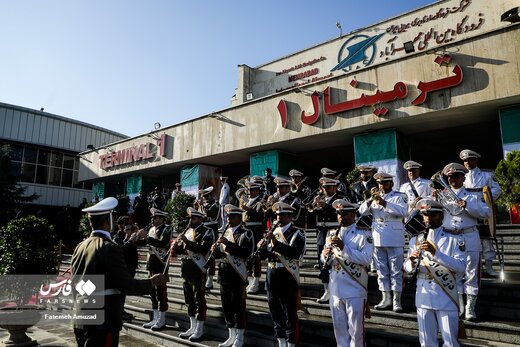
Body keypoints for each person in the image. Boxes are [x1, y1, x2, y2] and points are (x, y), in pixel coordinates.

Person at [71, 197, 166, 347]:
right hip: (103, 319)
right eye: (112, 218)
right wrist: (152, 281)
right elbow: (126, 285)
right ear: (107, 221)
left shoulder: (80, 246)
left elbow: (74, 283)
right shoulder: (110, 247)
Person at [404, 198, 466, 347]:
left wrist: (436, 254)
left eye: (432, 215)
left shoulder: (455, 239)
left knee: (450, 342)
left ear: (441, 216)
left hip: (446, 294)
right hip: (423, 296)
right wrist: (411, 261)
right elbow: (406, 267)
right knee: (426, 342)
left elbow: (461, 267)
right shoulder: (416, 240)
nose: (428, 218)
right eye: (425, 215)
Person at [438, 163, 491, 321]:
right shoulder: (442, 194)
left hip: (469, 237)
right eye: (449, 177)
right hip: (449, 239)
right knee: (454, 273)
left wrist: (468, 205)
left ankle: (470, 307)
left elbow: (486, 212)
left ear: (463, 177)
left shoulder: (472, 195)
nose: (452, 179)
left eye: (456, 176)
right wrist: (433, 200)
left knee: (471, 273)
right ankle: (459, 305)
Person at [321, 199, 373, 347]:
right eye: (338, 213)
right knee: (339, 331)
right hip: (336, 288)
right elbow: (327, 259)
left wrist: (344, 249)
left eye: (344, 213)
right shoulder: (332, 233)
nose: (340, 217)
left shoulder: (364, 233)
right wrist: (325, 255)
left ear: (353, 214)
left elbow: (367, 259)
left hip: (355, 287)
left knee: (356, 333)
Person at [257, 202, 305, 347]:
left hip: (287, 274)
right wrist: (261, 248)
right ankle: (281, 340)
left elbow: (296, 253)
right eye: (276, 215)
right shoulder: (273, 232)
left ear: (290, 217)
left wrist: (275, 243)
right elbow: (266, 256)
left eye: (282, 215)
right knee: (274, 308)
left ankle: (291, 342)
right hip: (272, 273)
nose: (277, 218)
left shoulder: (298, 232)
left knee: (289, 311)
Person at [358, 172, 407, 312]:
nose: (382, 185)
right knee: (382, 270)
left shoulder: (400, 196)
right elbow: (362, 211)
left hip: (394, 236)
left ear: (391, 183)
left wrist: (385, 203)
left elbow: (403, 211)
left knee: (396, 271)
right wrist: (369, 200)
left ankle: (397, 300)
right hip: (378, 237)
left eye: (385, 183)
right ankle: (386, 298)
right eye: (379, 183)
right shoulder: (374, 197)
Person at [210, 204, 254, 347]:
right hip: (224, 273)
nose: (229, 219)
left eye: (232, 216)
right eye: (228, 216)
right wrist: (215, 250)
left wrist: (227, 244)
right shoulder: (225, 232)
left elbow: (245, 253)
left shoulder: (246, 233)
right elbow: (218, 255)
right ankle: (231, 335)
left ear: (239, 218)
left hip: (237, 274)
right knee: (226, 306)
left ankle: (240, 337)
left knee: (238, 306)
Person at [173, 207, 215, 341]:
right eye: (190, 218)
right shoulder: (188, 231)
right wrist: (176, 245)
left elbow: (203, 249)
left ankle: (200, 328)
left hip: (198, 269)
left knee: (199, 299)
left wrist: (186, 242)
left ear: (201, 219)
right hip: (186, 268)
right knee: (189, 299)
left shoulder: (207, 232)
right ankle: (192, 325)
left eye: (194, 218)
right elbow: (182, 250)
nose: (191, 220)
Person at [460, 149, 502, 277]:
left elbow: (497, 190)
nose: (467, 162)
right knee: (469, 240)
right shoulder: (461, 176)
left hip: (483, 210)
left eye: (470, 159)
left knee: (487, 240)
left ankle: (489, 267)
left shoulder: (487, 175)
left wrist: (485, 199)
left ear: (476, 160)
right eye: (465, 160)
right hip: (468, 212)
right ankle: (473, 268)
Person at [135, 208, 172, 331]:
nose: (153, 220)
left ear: (162, 219)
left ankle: (162, 319)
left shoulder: (167, 228)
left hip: (160, 264)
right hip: (151, 263)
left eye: (155, 218)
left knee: (161, 292)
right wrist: (136, 239)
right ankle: (155, 317)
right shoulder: (151, 229)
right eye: (152, 218)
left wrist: (147, 238)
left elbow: (163, 243)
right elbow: (145, 243)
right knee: (153, 293)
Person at [314, 177, 344, 304]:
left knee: (336, 260)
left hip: (334, 231)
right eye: (324, 187)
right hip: (321, 232)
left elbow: (340, 212)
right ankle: (326, 289)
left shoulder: (341, 198)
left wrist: (325, 206)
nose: (325, 190)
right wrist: (315, 206)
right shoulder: (321, 198)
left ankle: (338, 288)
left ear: (334, 188)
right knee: (323, 261)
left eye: (328, 187)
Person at [242, 181, 266, 294]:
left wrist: (248, 209)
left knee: (256, 256)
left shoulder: (261, 201)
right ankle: (250, 279)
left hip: (256, 231)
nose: (249, 192)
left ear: (257, 191)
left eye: (252, 190)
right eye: (248, 190)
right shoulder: (248, 201)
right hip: (246, 230)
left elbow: (261, 216)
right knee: (247, 255)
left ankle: (256, 282)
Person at [113, 216, 139, 321]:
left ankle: (121, 310)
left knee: (124, 291)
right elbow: (121, 249)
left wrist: (136, 235)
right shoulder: (116, 236)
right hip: (122, 267)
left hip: (131, 266)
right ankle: (118, 311)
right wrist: (128, 237)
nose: (129, 226)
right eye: (126, 224)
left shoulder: (131, 234)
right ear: (121, 226)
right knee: (120, 291)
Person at [197, 186, 220, 289]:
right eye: (204, 196)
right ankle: (203, 276)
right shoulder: (203, 205)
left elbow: (209, 214)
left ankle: (210, 279)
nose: (205, 198)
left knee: (210, 254)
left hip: (212, 229)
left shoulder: (216, 204)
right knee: (203, 253)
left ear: (212, 195)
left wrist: (202, 207)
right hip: (203, 230)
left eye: (207, 196)